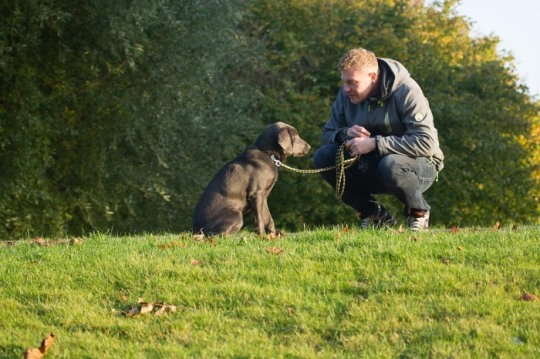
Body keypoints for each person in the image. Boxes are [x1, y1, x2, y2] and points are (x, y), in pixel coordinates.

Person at [313, 48, 444, 231]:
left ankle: (419, 213)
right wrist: (346, 133)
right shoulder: (345, 95)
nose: (346, 89)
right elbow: (327, 135)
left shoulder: (407, 91)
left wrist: (375, 143)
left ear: (372, 77)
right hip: (371, 165)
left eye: (352, 83)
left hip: (418, 166)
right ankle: (374, 213)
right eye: (344, 82)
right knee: (323, 157)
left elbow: (426, 143)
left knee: (391, 164)